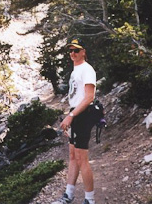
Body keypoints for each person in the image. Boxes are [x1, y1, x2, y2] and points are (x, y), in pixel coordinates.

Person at [52, 37, 97, 204]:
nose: (73, 53)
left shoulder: (87, 70)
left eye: (76, 50)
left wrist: (71, 116)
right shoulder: (75, 71)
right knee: (72, 155)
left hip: (82, 114)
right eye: (70, 50)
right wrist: (70, 115)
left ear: (83, 52)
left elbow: (89, 97)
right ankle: (69, 195)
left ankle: (89, 199)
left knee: (81, 158)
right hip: (75, 113)